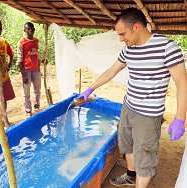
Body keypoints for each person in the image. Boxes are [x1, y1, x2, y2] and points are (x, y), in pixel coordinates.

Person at [79, 8, 187, 188]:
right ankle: (130, 175)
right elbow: (111, 71)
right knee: (127, 144)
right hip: (128, 106)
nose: (121, 39)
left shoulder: (168, 47)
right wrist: (91, 88)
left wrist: (179, 119)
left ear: (136, 27)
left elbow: (183, 84)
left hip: (149, 114)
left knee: (145, 154)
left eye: (122, 34)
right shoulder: (129, 49)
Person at [17, 22, 42, 117]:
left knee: (37, 90)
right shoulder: (22, 42)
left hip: (36, 69)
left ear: (34, 29)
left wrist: (41, 61)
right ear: (25, 30)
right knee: (26, 92)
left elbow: (36, 54)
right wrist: (23, 74)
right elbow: (19, 60)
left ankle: (36, 106)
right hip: (26, 70)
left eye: (31, 29)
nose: (30, 30)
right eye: (28, 29)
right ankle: (28, 110)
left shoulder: (36, 41)